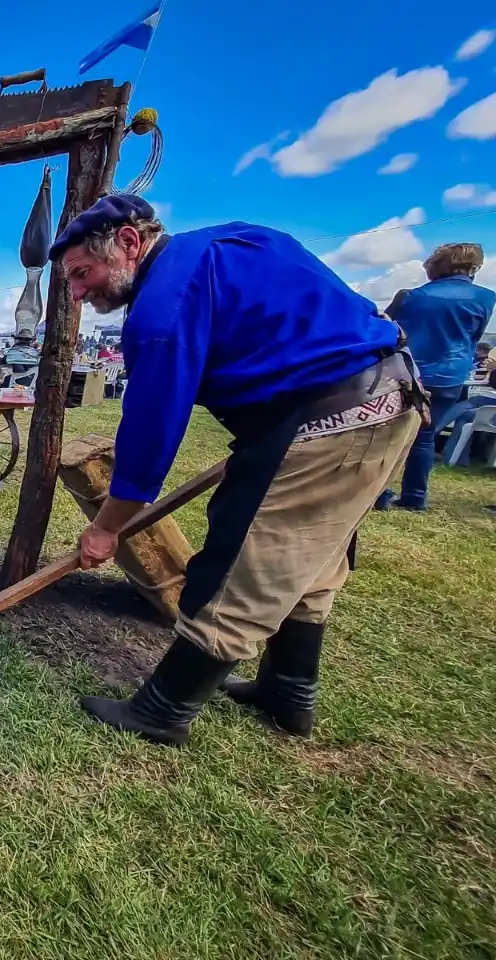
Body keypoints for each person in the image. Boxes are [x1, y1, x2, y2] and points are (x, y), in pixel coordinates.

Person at [52, 194, 423, 748]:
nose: (79, 293)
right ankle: (288, 691)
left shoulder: (161, 307)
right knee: (306, 557)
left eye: (83, 273)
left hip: (330, 418)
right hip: (389, 400)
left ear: (129, 243)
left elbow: (149, 440)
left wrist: (106, 526)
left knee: (244, 559)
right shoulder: (236, 240)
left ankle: (163, 710)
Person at [376, 243, 495, 510]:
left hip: (407, 373)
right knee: (425, 437)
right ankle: (415, 498)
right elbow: (472, 339)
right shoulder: (487, 298)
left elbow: (386, 331)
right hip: (451, 376)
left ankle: (379, 493)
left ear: (435, 266)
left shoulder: (410, 296)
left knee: (388, 435)